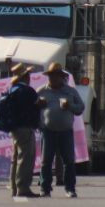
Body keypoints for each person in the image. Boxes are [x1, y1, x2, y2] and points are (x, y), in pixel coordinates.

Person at [37, 62, 84, 198]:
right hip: (48, 131)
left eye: (57, 76)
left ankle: (70, 188)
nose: (54, 79)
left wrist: (69, 106)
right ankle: (45, 188)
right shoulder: (42, 91)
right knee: (46, 161)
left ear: (62, 77)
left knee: (69, 161)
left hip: (65, 131)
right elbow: (32, 109)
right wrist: (38, 106)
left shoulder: (70, 91)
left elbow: (80, 108)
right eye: (51, 76)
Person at [5, 63, 40, 198]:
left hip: (14, 128)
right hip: (25, 128)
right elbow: (37, 104)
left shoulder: (12, 89)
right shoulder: (27, 91)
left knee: (16, 158)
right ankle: (23, 187)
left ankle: (14, 187)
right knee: (26, 157)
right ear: (25, 76)